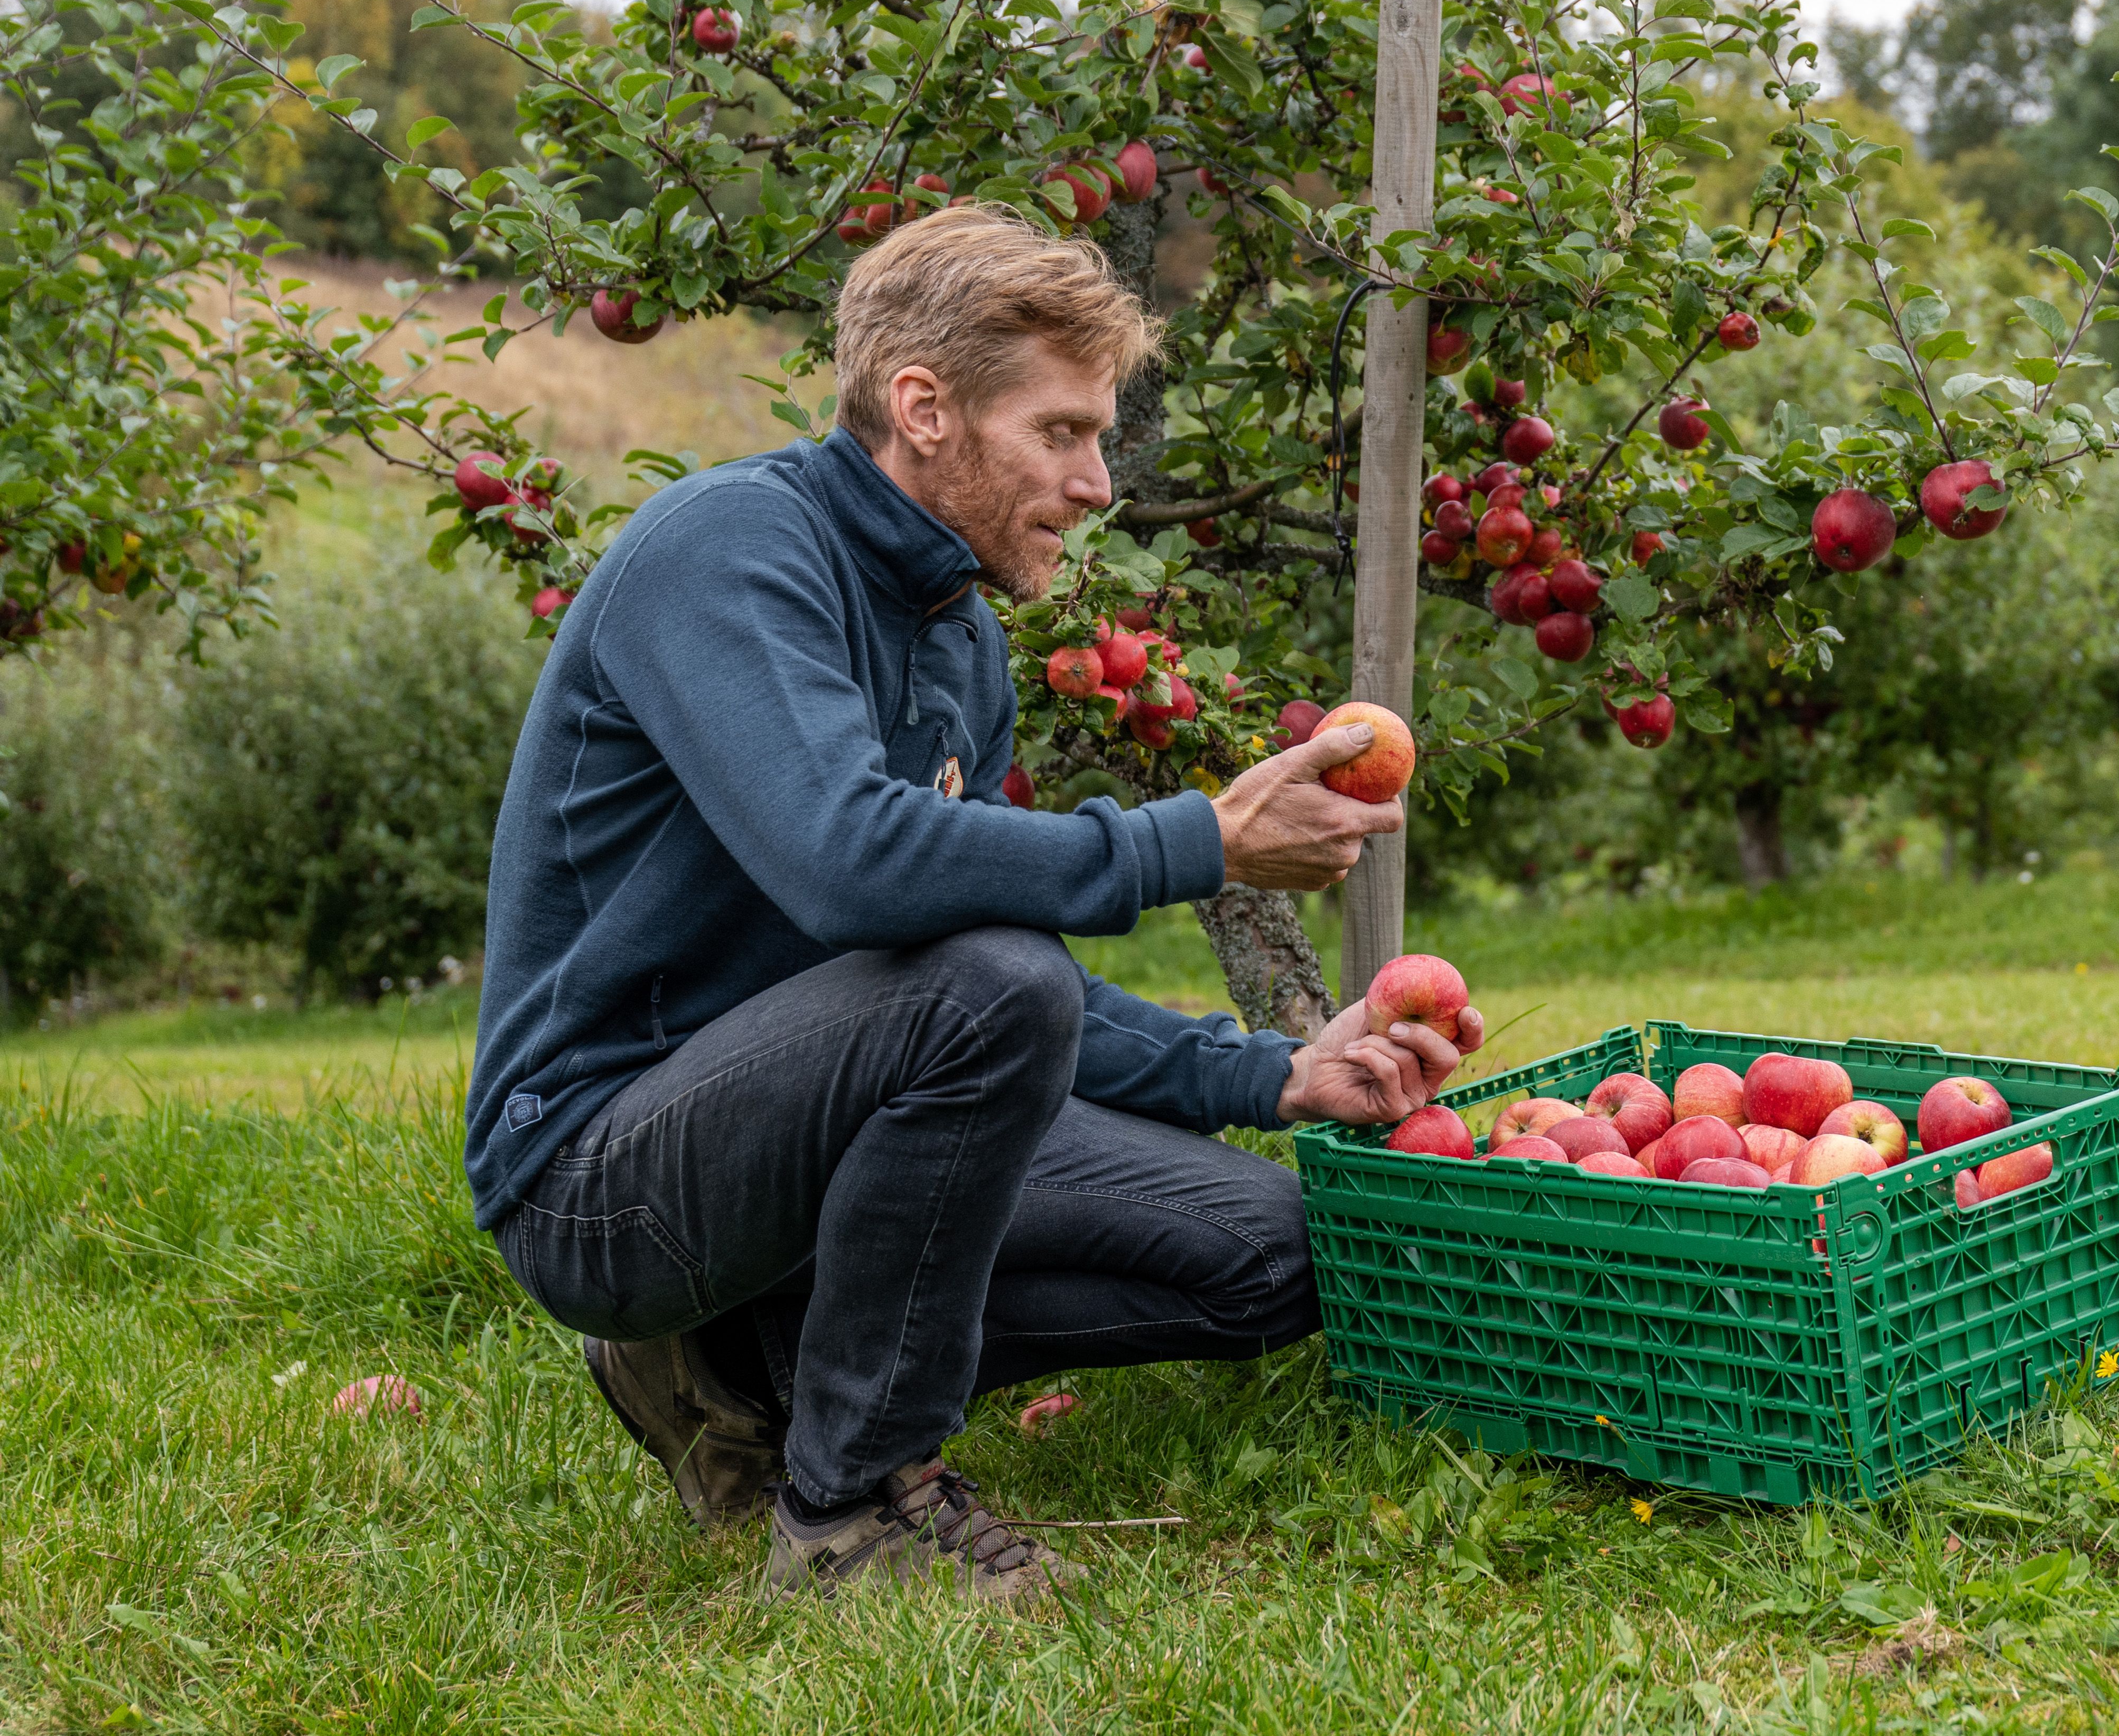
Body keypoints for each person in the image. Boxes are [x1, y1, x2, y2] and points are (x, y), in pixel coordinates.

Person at [462, 204, 1477, 1609]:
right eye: (1061, 433)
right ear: (921, 407)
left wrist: (1273, 1070)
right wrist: (1205, 840)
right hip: (601, 1176)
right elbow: (852, 866)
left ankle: (737, 1371)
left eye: (1101, 437)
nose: (1100, 481)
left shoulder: (960, 645)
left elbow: (996, 970)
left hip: (822, 1123)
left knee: (1276, 1257)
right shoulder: (731, 554)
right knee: (995, 985)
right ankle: (851, 1506)